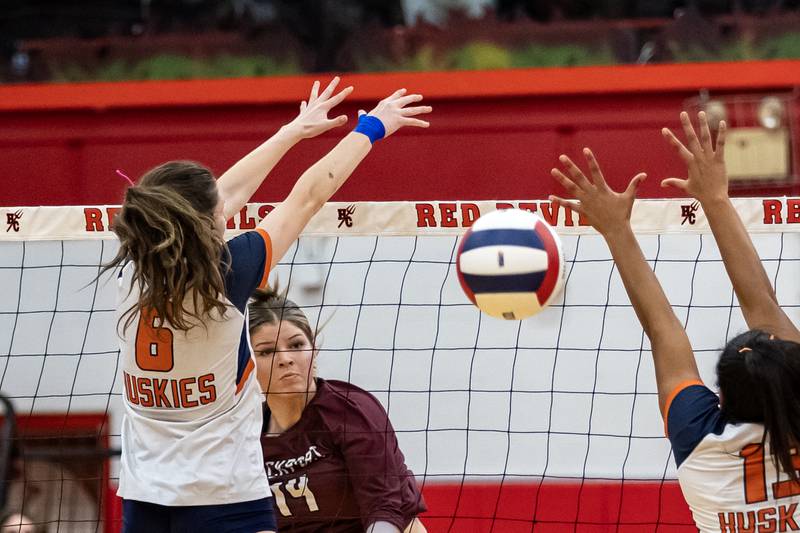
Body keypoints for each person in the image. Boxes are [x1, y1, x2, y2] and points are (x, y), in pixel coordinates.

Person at [105, 76, 431, 533]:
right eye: (221, 211)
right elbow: (309, 195)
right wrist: (372, 127)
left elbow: (226, 195)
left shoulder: (129, 269)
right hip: (225, 498)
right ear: (207, 222)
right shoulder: (228, 274)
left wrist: (293, 132)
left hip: (144, 498)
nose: (230, 209)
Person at [548, 113, 800, 533]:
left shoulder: (699, 437)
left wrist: (615, 230)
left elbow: (664, 330)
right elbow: (763, 303)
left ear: (719, 398)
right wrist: (716, 198)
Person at [248, 287, 428, 533]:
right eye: (267, 351)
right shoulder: (247, 433)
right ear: (247, 365)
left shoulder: (348, 410)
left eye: (296, 345)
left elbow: (385, 505)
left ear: (314, 350)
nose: (286, 359)